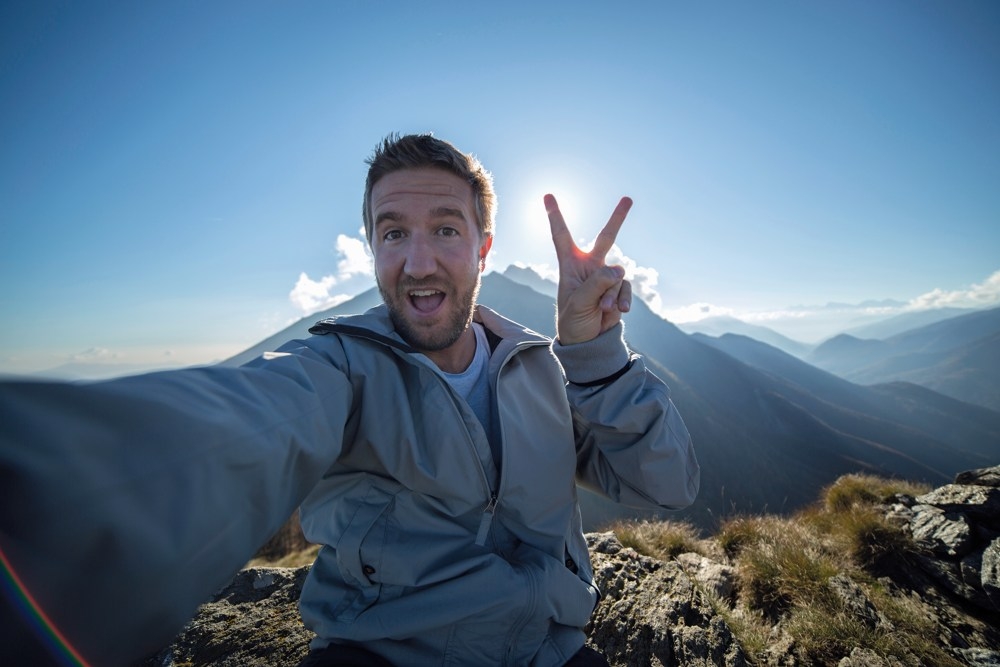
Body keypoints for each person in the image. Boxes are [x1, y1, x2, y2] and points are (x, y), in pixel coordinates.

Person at [0, 133, 699, 666]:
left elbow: (666, 484)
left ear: (484, 248)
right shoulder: (338, 368)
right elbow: (232, 430)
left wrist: (594, 353)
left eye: (446, 230)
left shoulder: (542, 371)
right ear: (370, 247)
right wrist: (45, 501)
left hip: (551, 651)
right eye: (394, 232)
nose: (418, 261)